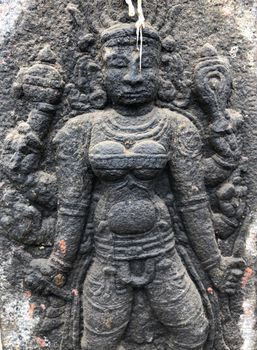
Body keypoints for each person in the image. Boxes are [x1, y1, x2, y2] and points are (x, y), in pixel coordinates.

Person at [26, 23, 245, 350]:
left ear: (161, 70)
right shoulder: (81, 130)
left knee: (195, 333)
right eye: (118, 65)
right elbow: (72, 206)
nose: (132, 77)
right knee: (96, 343)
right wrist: (59, 264)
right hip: (108, 258)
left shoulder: (176, 126)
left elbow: (193, 202)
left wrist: (215, 264)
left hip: (163, 254)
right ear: (98, 72)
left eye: (144, 65)